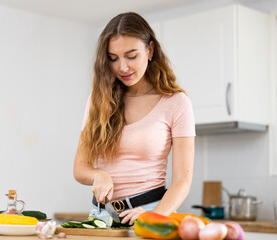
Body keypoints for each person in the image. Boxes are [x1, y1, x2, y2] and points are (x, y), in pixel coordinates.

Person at [73, 12, 195, 226]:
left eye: (131, 56)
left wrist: (154, 217)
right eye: (113, 58)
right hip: (102, 215)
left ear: (150, 50)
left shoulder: (176, 102)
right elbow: (80, 168)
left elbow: (182, 180)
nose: (123, 67)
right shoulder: (98, 100)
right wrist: (98, 175)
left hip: (151, 211)